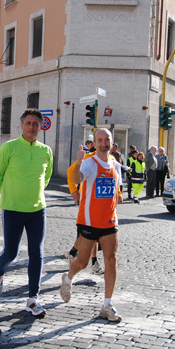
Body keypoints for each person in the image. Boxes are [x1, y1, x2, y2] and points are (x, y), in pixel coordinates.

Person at [0, 108, 53, 318]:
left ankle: (33, 299)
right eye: (28, 123)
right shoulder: (8, 148)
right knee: (11, 252)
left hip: (37, 210)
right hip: (12, 209)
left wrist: (33, 194)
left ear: (41, 126)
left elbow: (46, 179)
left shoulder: (46, 151)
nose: (31, 127)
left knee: (37, 253)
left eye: (35, 123)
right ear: (22, 125)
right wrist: (10, 195)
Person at [60, 128, 124, 322]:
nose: (104, 144)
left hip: (109, 221)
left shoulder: (115, 163)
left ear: (112, 143)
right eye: (100, 140)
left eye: (107, 140)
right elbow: (77, 179)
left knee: (111, 260)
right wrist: (79, 161)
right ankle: (68, 277)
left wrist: (118, 194)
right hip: (88, 221)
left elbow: (117, 185)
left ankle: (107, 305)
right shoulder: (89, 162)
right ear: (95, 143)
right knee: (83, 262)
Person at [65, 151, 105, 275]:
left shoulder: (110, 159)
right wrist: (73, 191)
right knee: (90, 233)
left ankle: (73, 253)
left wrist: (118, 193)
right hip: (87, 202)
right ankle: (94, 262)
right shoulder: (88, 158)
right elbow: (70, 172)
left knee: (90, 233)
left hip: (103, 203)